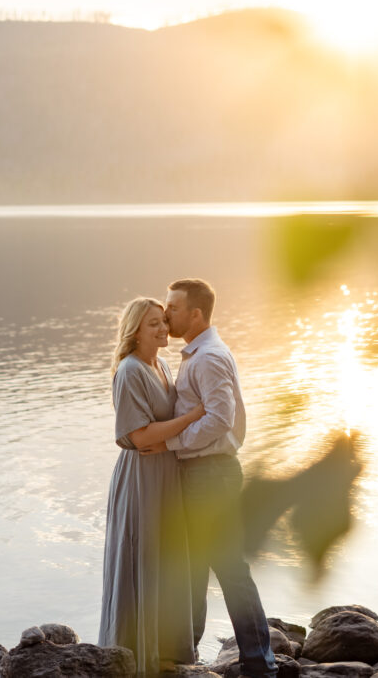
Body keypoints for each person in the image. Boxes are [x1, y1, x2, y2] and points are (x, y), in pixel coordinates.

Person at [143, 278, 277, 678]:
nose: (167, 315)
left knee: (227, 566)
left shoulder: (208, 357)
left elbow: (220, 419)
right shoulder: (198, 354)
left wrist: (170, 444)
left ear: (196, 313)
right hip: (200, 473)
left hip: (211, 475)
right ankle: (187, 652)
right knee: (195, 565)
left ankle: (260, 661)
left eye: (173, 307)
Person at [98, 297, 203, 676]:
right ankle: (134, 655)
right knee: (143, 558)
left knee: (166, 560)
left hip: (165, 473)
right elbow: (138, 436)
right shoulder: (129, 371)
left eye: (163, 321)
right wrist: (194, 415)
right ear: (135, 331)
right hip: (142, 477)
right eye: (153, 324)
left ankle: (165, 652)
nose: (163, 329)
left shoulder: (160, 363)